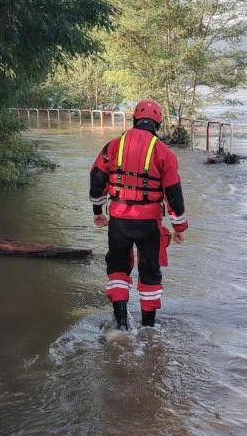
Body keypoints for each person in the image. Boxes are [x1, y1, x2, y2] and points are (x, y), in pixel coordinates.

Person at [89, 99, 188, 330]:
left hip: (119, 220)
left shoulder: (112, 146)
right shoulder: (165, 153)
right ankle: (148, 330)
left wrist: (97, 212)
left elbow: (96, 179)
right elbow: (174, 194)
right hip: (149, 224)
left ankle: (122, 326)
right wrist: (179, 227)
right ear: (157, 124)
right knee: (150, 272)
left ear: (134, 120)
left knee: (117, 268)